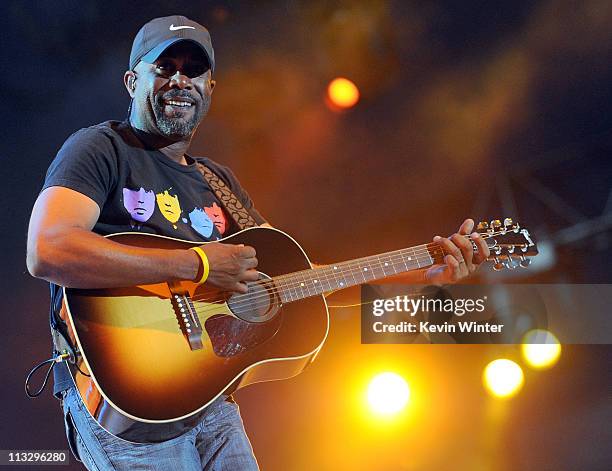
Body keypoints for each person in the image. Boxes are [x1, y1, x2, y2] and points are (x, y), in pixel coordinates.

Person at [26, 15, 489, 471]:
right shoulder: (99, 148)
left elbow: (295, 284)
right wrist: (199, 266)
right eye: (164, 68)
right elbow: (48, 250)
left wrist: (423, 275)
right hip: (124, 398)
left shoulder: (217, 182)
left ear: (210, 89)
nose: (180, 80)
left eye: (194, 71)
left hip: (209, 397)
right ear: (132, 81)